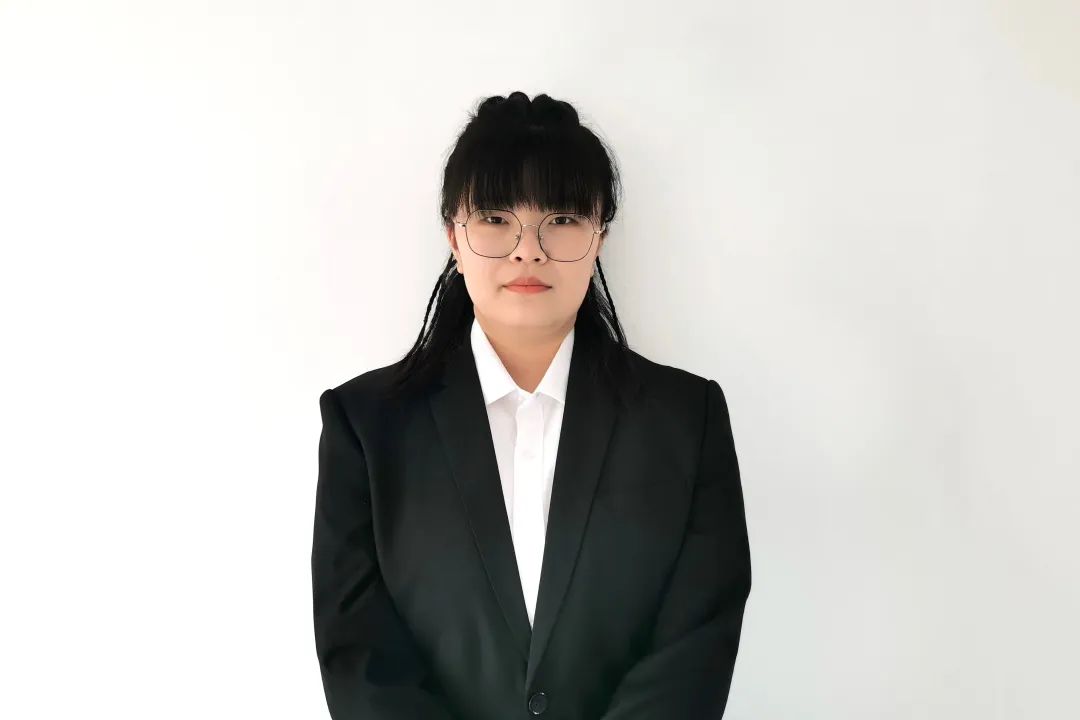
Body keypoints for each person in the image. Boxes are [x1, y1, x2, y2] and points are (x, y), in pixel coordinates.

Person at [311, 91, 752, 720]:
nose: (528, 249)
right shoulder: (365, 426)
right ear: (454, 236)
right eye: (496, 217)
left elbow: (696, 643)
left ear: (599, 236)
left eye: (562, 218)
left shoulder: (687, 420)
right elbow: (360, 657)